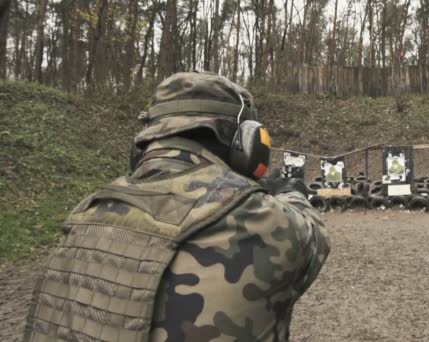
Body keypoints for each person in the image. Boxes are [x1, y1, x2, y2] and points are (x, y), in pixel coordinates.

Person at [23, 72, 331, 342]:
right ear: (246, 143)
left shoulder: (83, 216)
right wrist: (291, 192)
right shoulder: (262, 220)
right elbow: (313, 236)